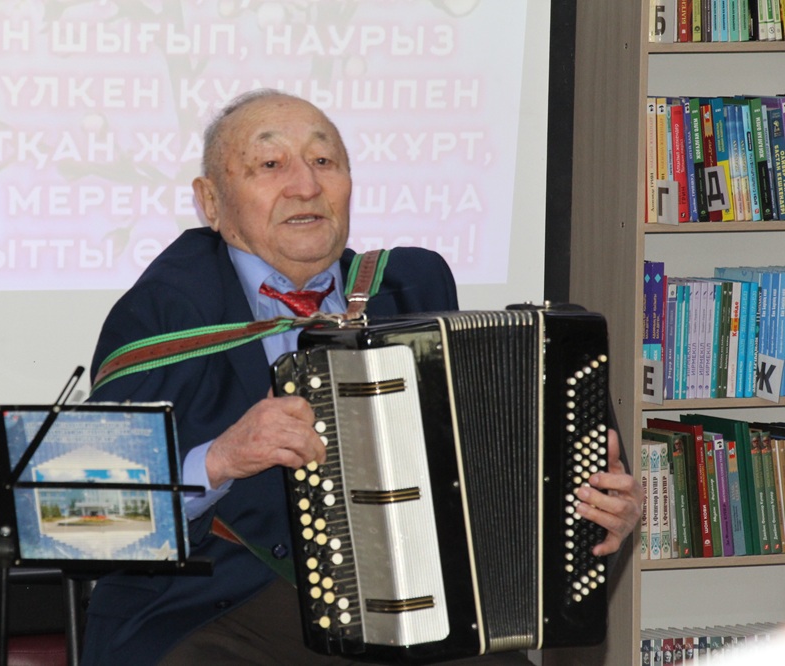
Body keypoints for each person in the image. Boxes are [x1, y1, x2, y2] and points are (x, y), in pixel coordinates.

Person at [81, 89, 642, 665]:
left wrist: (589, 513)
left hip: (414, 606)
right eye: (270, 164)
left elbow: (482, 468)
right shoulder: (165, 310)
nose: (305, 185)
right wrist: (221, 458)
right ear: (211, 202)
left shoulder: (410, 287)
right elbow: (91, 516)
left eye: (324, 161)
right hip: (224, 610)